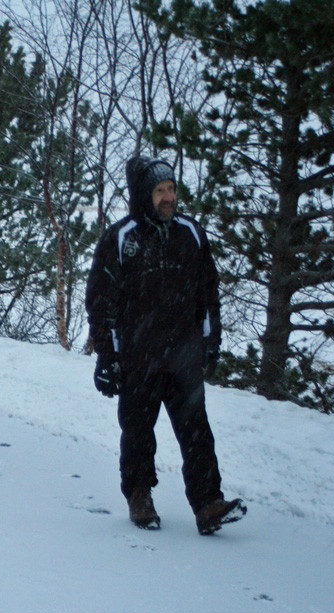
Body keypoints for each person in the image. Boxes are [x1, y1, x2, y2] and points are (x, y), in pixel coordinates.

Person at [84, 155, 246, 535]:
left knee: (197, 432)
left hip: (184, 355)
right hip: (139, 357)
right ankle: (139, 495)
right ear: (145, 195)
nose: (169, 197)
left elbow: (208, 293)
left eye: (172, 189)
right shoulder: (121, 238)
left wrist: (210, 341)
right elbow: (101, 302)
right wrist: (107, 356)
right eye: (160, 190)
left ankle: (208, 504)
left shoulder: (191, 232)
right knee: (138, 430)